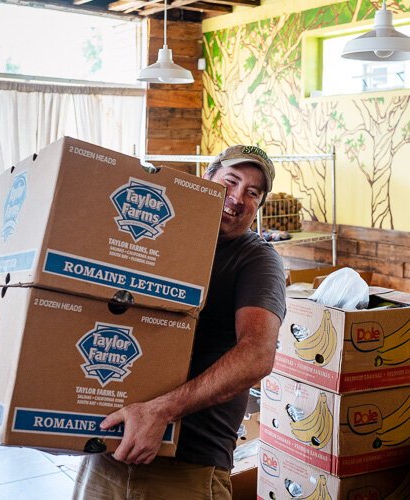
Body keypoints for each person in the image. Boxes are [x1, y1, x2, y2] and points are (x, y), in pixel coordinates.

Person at [73, 145, 287, 499]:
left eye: (252, 193)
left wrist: (160, 412)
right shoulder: (160, 237)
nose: (236, 198)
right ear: (206, 182)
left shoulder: (257, 261)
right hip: (112, 449)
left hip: (188, 464)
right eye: (230, 182)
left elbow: (257, 356)